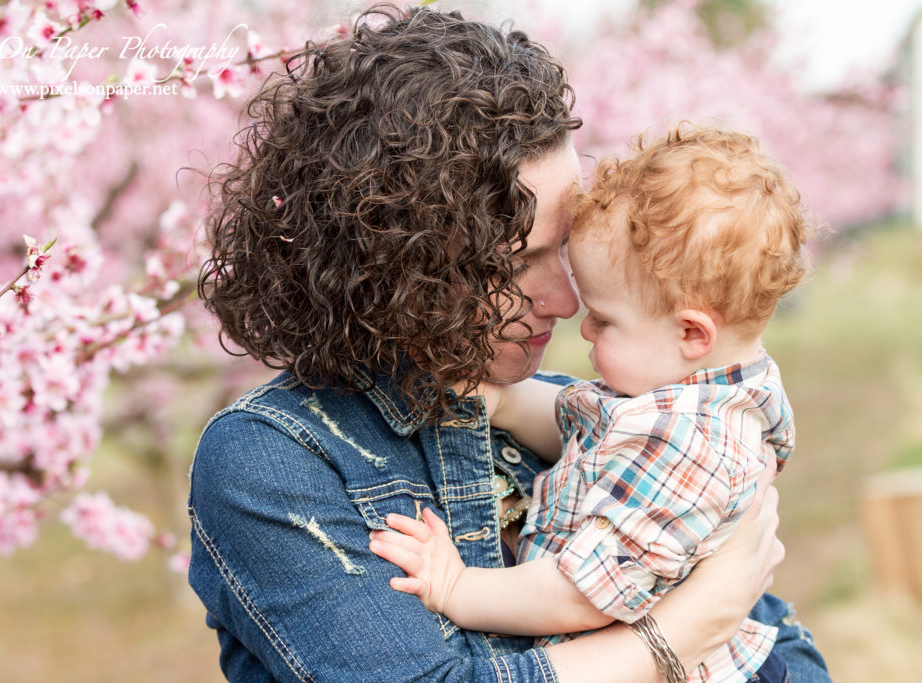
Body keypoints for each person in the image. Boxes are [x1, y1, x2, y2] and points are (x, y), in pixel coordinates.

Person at [189, 5, 830, 681]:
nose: (568, 299)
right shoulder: (275, 459)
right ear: (398, 261)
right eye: (517, 263)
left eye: (567, 248)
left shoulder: (600, 415)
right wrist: (685, 629)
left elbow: (788, 656)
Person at [368, 126, 814, 682]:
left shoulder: (693, 441)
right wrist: (502, 403)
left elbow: (584, 593)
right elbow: (588, 430)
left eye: (604, 319)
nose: (582, 325)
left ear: (692, 333)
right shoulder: (691, 395)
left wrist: (457, 586)